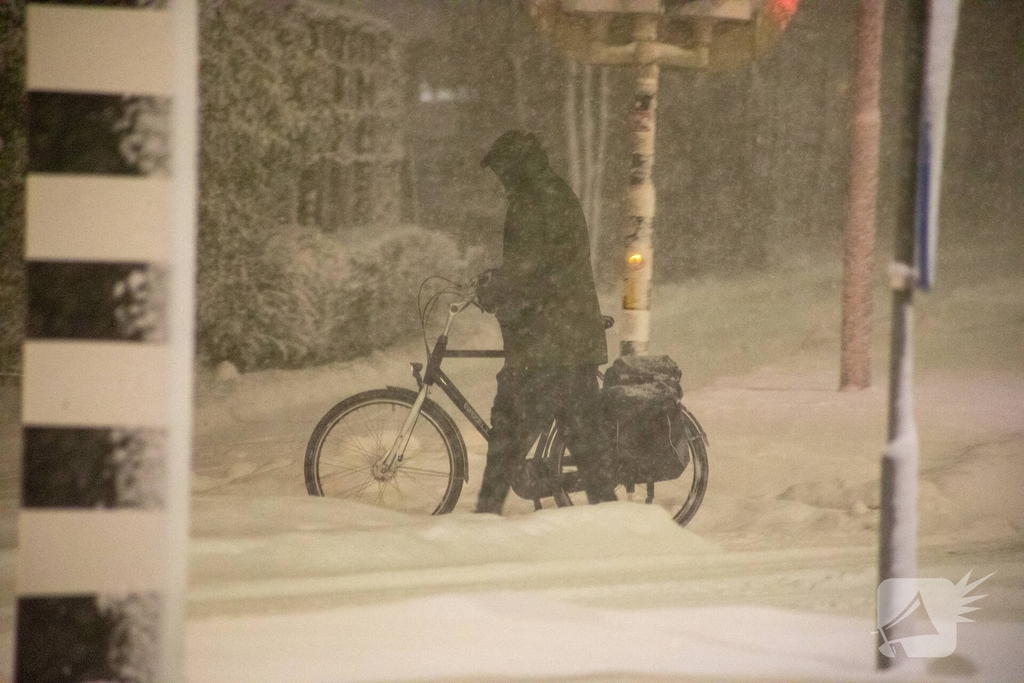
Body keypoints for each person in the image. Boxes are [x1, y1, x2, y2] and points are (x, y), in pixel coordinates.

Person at [474, 130, 617, 514]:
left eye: (503, 170)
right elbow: (539, 264)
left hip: (549, 342)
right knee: (585, 439)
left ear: (516, 166)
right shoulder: (548, 192)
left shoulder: (536, 199)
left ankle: (485, 516)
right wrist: (502, 281)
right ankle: (614, 519)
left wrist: (496, 287)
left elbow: (530, 265)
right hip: (566, 337)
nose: (500, 179)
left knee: (509, 427)